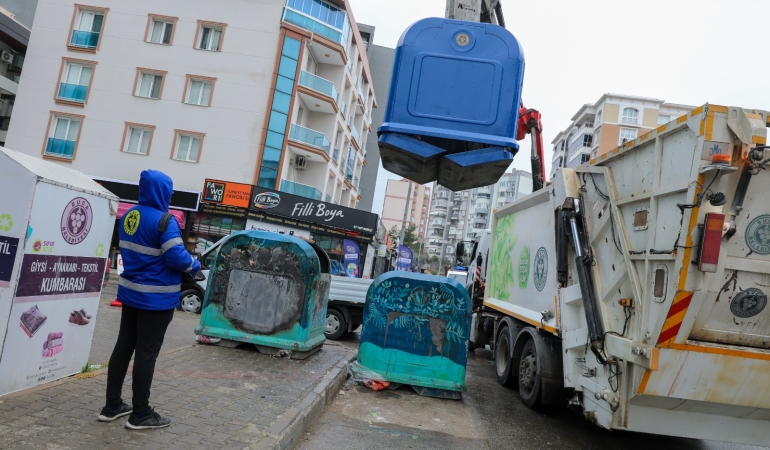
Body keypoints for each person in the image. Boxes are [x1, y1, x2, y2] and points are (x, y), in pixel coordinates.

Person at [98, 170, 200, 430]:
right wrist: (195, 263)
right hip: (155, 300)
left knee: (123, 347)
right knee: (146, 353)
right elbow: (177, 257)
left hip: (130, 293)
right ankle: (141, 414)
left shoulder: (129, 215)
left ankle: (112, 406)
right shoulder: (165, 221)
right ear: (163, 192)